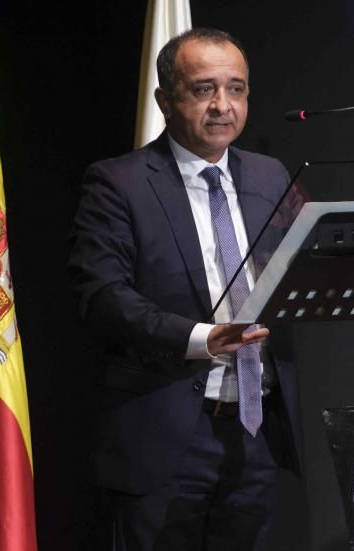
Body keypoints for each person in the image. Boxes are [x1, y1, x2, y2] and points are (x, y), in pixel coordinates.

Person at [68, 27, 302, 550]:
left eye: (236, 89)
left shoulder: (271, 176)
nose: (223, 106)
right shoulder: (117, 183)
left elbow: (302, 271)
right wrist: (202, 337)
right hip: (167, 432)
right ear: (165, 100)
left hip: (255, 430)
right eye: (203, 89)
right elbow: (102, 295)